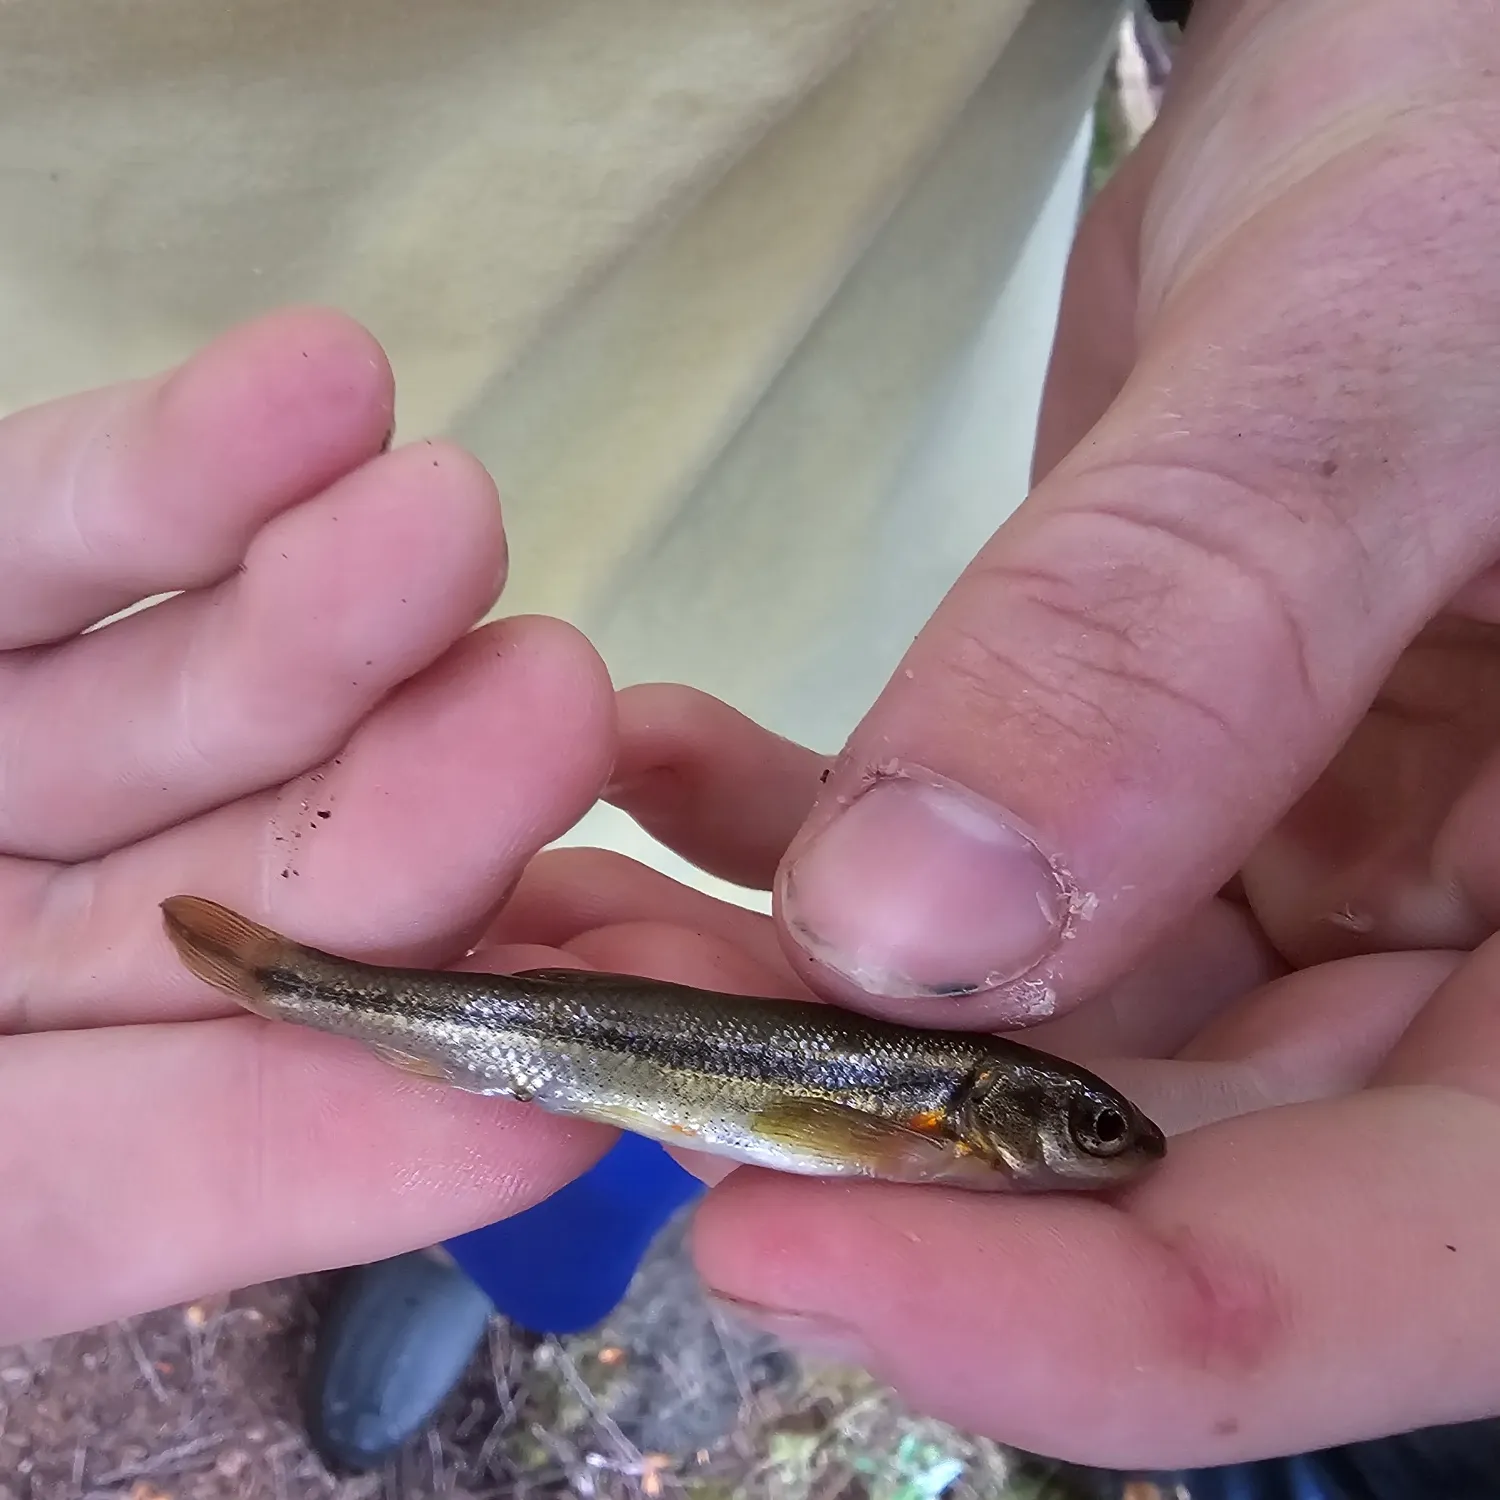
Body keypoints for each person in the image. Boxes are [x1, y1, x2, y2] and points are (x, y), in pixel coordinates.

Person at [5, 0, 1500, 1495]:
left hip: (869, 711)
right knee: (541, 1031)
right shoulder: (951, 1107)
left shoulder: (955, 1004)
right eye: (1090, 1122)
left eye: (1097, 1125)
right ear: (1011, 1113)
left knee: (623, 1086)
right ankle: (401, 1148)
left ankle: (489, 1247)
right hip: (143, 560)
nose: (1106, 1135)